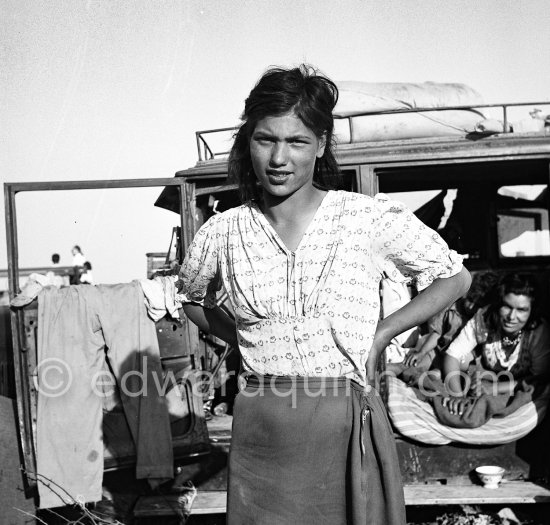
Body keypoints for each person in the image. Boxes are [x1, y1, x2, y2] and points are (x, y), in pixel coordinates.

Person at [179, 64, 471, 525]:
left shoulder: (363, 218)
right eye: (265, 139)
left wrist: (381, 333)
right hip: (262, 427)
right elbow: (192, 299)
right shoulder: (223, 231)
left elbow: (454, 278)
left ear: (321, 146)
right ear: (247, 143)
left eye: (296, 142)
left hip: (343, 420)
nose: (279, 158)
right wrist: (243, 339)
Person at [442, 273, 550, 416]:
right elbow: (452, 354)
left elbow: (539, 378)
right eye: (507, 306)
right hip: (486, 376)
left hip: (516, 384)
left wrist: (493, 388)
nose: (511, 317)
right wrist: (456, 396)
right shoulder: (485, 317)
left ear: (531, 311)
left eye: (522, 310)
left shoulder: (538, 331)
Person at [402, 271, 498, 370]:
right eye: (470, 299)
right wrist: (422, 352)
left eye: (477, 305)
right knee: (414, 361)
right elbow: (437, 333)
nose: (470, 306)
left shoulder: (481, 323)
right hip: (438, 350)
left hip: (459, 359)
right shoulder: (453, 307)